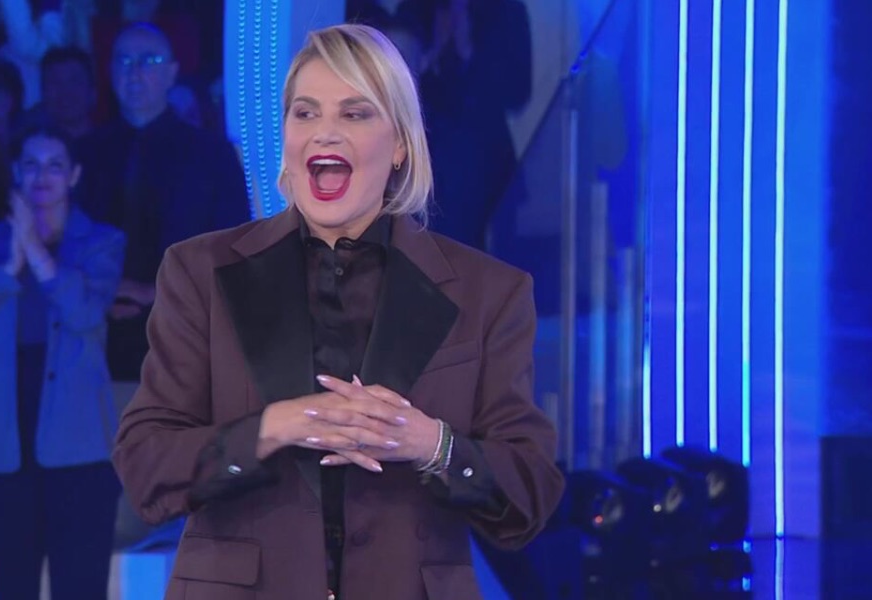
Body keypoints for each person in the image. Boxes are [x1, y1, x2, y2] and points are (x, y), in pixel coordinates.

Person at [113, 24, 563, 600]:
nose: (324, 131)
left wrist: (431, 444)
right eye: (305, 113)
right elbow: (146, 468)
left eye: (354, 113)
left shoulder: (488, 291)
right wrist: (276, 427)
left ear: (400, 144)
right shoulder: (199, 272)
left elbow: (529, 497)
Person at [0, 125, 126, 600]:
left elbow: (84, 314)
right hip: (4, 438)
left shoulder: (101, 241)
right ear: (16, 173)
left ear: (74, 175)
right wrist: (9, 263)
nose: (41, 176)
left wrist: (34, 250)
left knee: (80, 587)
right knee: (9, 586)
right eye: (30, 164)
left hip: (78, 442)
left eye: (54, 165)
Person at [77, 22, 249, 383]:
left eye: (148, 60)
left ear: (172, 73)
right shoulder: (86, 153)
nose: (135, 72)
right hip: (92, 331)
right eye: (124, 61)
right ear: (109, 72)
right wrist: (104, 291)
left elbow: (233, 248)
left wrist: (153, 293)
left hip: (184, 331)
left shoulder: (211, 155)